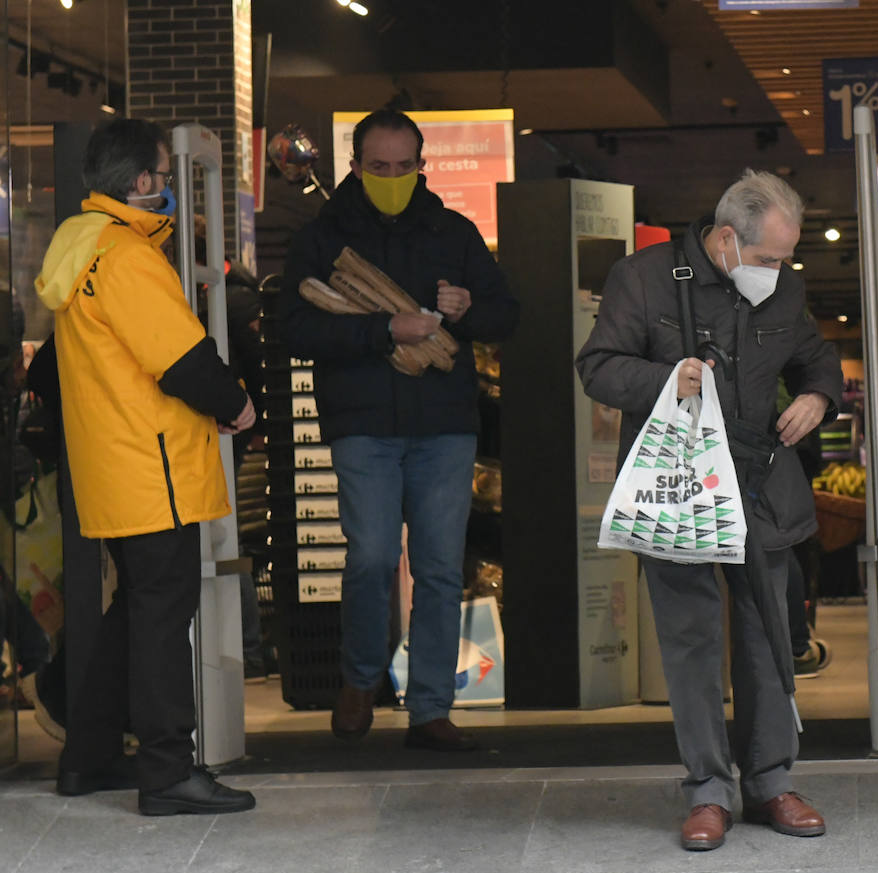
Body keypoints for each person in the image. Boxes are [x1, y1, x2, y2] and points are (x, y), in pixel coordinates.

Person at [577, 169, 842, 852]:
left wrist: (818, 397)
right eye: (767, 259)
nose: (777, 273)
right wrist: (668, 377)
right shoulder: (643, 277)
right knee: (691, 640)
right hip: (681, 483)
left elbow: (817, 359)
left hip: (762, 484)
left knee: (768, 636)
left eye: (786, 259)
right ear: (726, 238)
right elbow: (599, 365)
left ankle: (772, 782)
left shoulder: (785, 287)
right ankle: (706, 790)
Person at [33, 118, 257, 815]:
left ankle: (89, 755)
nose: (168, 187)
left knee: (135, 609)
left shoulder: (80, 248)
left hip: (113, 466)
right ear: (141, 183)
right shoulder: (127, 257)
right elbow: (180, 357)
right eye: (162, 175)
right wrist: (239, 405)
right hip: (152, 467)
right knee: (163, 617)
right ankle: (167, 773)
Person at [280, 108, 519, 750]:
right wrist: (381, 329)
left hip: (444, 423)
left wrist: (467, 311)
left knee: (441, 567)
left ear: (422, 165)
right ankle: (359, 679)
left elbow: (506, 313)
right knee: (374, 557)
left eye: (403, 166)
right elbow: (290, 328)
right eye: (378, 167)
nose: (391, 176)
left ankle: (431, 708)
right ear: (355, 166)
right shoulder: (322, 237)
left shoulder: (454, 232)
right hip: (361, 423)